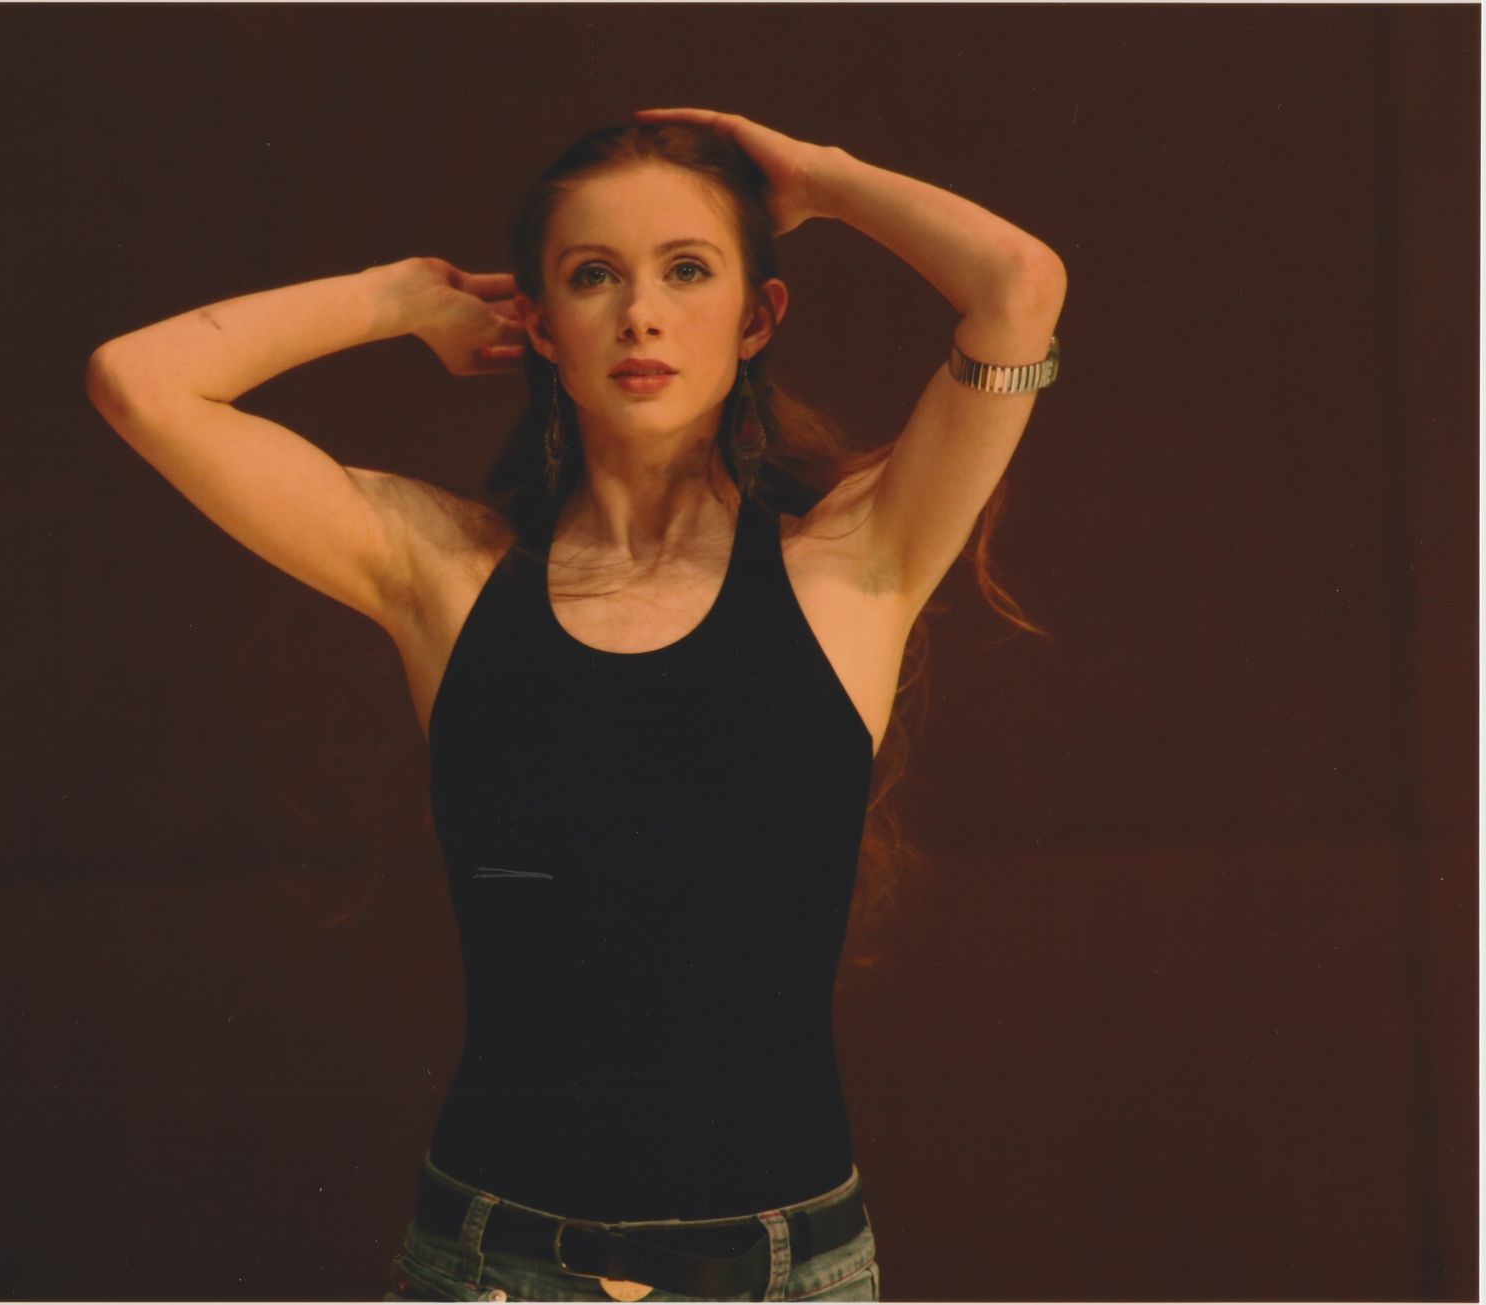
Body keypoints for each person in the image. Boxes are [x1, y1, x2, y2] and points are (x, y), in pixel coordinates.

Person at [85, 107, 1064, 1303]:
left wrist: (821, 180)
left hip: (779, 1274)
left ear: (757, 317)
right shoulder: (441, 572)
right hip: (489, 1263)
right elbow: (139, 382)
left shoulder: (853, 566)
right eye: (595, 277)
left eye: (688, 271)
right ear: (543, 327)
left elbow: (1018, 285)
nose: (641, 314)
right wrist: (402, 299)